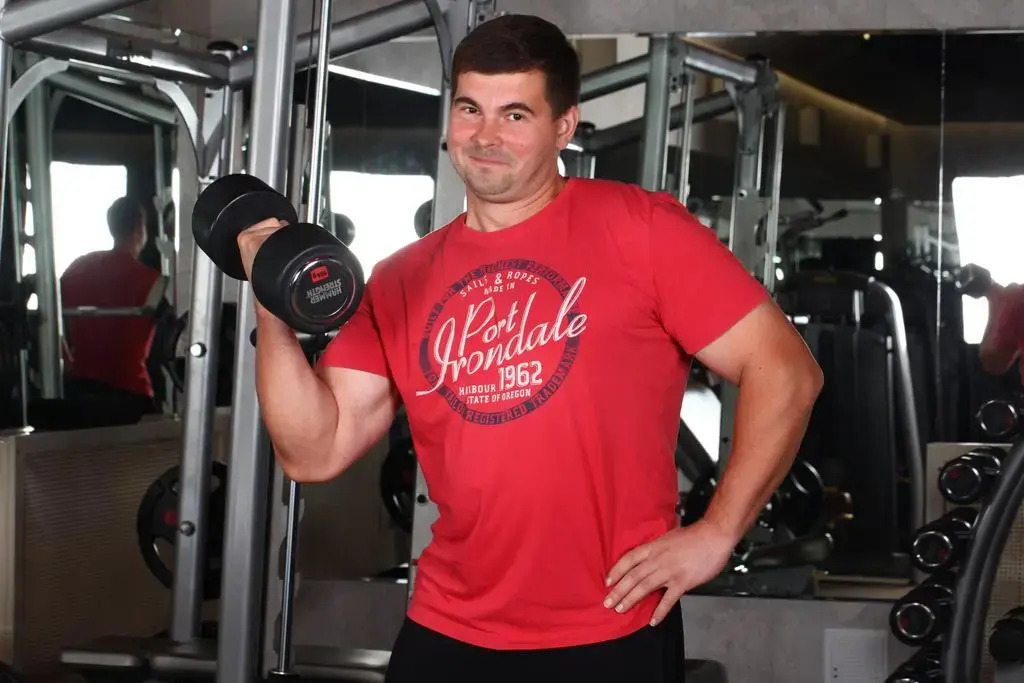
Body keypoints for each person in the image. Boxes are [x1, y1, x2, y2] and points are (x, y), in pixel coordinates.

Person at [238, 15, 823, 683]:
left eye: (514, 114)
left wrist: (718, 531)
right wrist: (271, 301)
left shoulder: (642, 229)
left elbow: (786, 370)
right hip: (446, 627)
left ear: (563, 126)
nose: (485, 136)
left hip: (608, 627)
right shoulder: (402, 276)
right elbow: (312, 450)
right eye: (470, 109)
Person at [60, 196, 166, 424]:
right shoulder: (152, 281)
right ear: (140, 228)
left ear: (111, 227)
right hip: (131, 395)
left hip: (78, 394)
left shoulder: (76, 269)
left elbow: (51, 324)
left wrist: (68, 361)